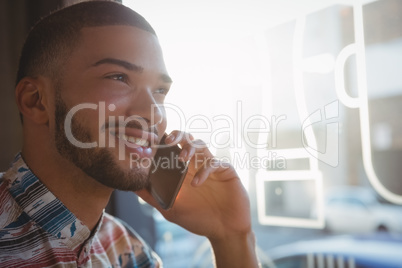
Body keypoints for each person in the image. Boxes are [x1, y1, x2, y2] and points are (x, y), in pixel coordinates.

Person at [0, 1, 259, 267]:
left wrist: (232, 237)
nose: (153, 114)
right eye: (118, 77)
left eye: (160, 91)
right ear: (36, 101)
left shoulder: (125, 249)